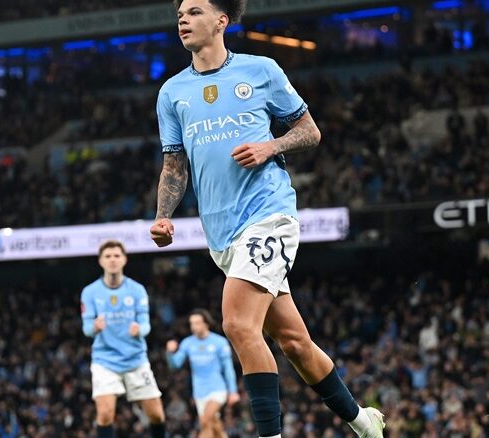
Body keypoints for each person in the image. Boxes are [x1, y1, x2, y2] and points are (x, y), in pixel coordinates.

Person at [150, 1, 385, 436]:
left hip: (268, 215)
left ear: (221, 21)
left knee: (238, 324)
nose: (183, 19)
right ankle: (363, 421)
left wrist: (270, 146)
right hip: (221, 234)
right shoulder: (171, 92)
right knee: (294, 343)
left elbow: (310, 131)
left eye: (194, 11)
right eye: (180, 13)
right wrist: (164, 216)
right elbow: (174, 165)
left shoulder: (261, 70)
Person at [81, 240, 166, 438]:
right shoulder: (90, 292)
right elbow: (86, 329)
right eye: (108, 256)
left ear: (124, 259)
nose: (112, 260)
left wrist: (139, 330)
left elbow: (146, 325)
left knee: (156, 415)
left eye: (116, 256)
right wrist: (94, 327)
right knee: (105, 414)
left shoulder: (137, 290)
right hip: (105, 360)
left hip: (135, 359)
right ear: (100, 261)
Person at [166, 309, 239, 438]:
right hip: (199, 392)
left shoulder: (220, 342)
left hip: (217, 389)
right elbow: (175, 365)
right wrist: (170, 353)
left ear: (206, 323)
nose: (194, 326)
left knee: (205, 421)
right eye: (191, 323)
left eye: (197, 323)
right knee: (214, 426)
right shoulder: (187, 343)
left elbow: (228, 368)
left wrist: (233, 391)